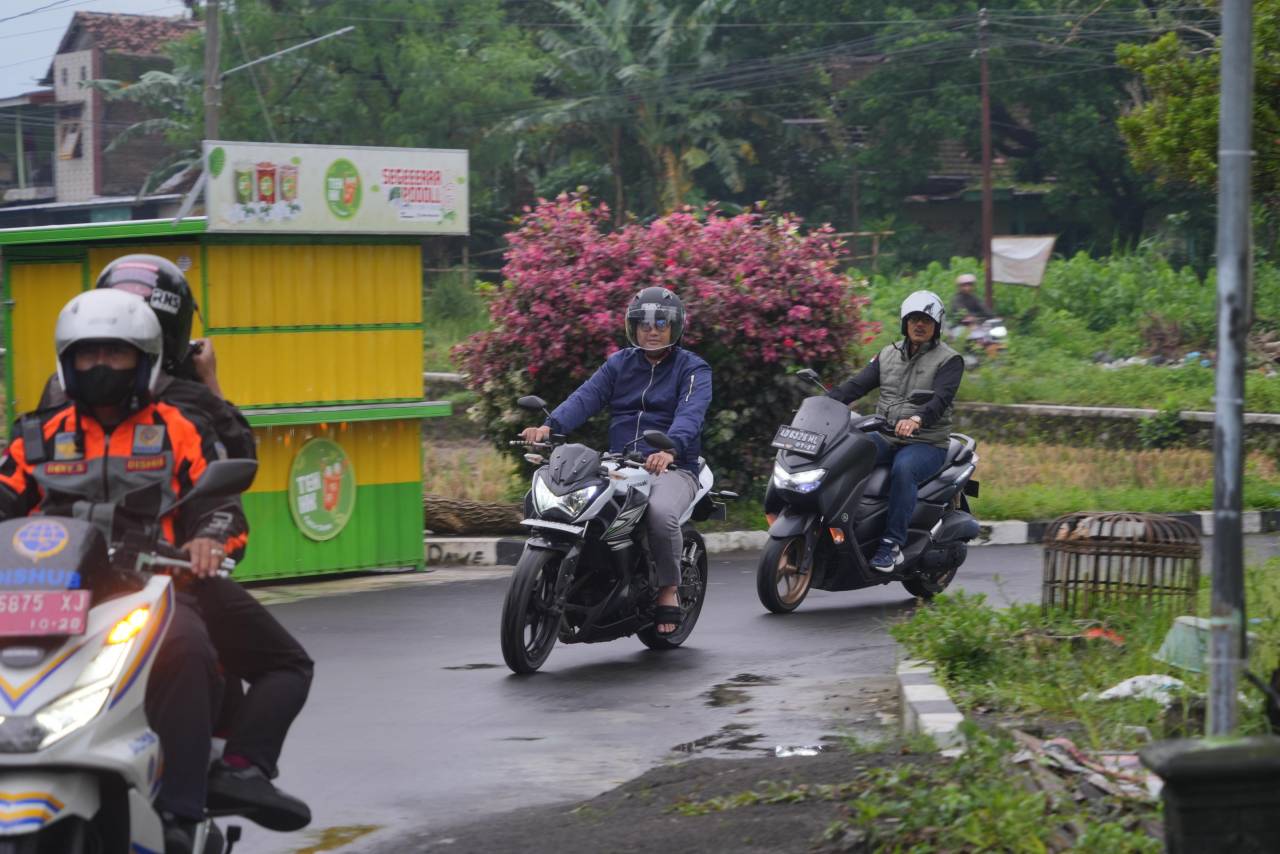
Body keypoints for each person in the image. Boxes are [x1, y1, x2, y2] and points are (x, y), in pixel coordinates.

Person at [37, 256, 313, 839]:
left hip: (157, 581)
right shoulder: (40, 430)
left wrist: (208, 540)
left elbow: (225, 490)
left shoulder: (178, 420)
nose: (102, 365)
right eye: (90, 353)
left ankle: (183, 813)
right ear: (71, 357)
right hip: (51, 588)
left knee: (184, 648)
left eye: (118, 353)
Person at [519, 287, 712, 636]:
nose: (651, 330)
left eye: (661, 324)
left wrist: (670, 449)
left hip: (674, 466)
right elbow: (586, 397)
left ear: (675, 328)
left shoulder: (693, 368)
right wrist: (550, 426)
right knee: (573, 501)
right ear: (632, 327)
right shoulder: (619, 363)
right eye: (643, 324)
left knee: (659, 513)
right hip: (620, 462)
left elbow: (691, 413)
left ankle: (668, 588)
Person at [827, 290, 964, 571]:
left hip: (927, 442)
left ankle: (892, 545)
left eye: (926, 320)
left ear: (936, 325)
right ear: (905, 323)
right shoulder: (887, 355)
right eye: (914, 319)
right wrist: (823, 403)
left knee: (904, 469)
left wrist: (917, 419)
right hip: (887, 435)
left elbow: (941, 399)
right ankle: (838, 523)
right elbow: (857, 385)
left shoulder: (949, 360)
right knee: (844, 454)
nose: (919, 325)